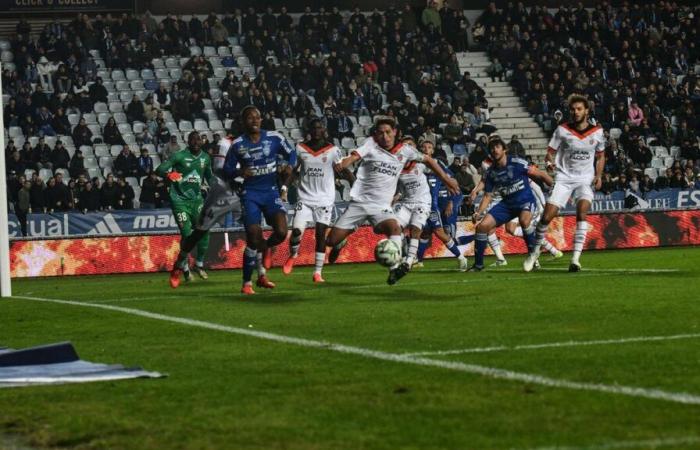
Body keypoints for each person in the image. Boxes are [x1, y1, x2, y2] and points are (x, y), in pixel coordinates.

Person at [325, 116, 459, 285]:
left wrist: (447, 180)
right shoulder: (371, 143)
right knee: (330, 241)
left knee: (395, 229)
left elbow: (429, 160)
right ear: (376, 134)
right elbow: (355, 155)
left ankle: (394, 269)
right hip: (360, 202)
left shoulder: (405, 151)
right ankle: (340, 243)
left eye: (388, 132)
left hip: (381, 206)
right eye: (381, 133)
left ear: (395, 132)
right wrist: (345, 162)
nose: (385, 137)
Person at [525, 94, 605, 273]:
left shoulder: (597, 132)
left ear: (586, 111)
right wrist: (548, 163)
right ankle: (534, 252)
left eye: (579, 109)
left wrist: (599, 176)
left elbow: (601, 156)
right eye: (573, 109)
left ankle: (575, 259)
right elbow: (549, 153)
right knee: (546, 217)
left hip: (584, 179)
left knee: (582, 213)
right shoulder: (562, 129)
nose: (576, 112)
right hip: (564, 178)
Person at [223, 106, 296, 295]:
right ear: (243, 122)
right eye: (250, 118)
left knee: (281, 232)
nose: (255, 121)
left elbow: (292, 153)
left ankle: (266, 251)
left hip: (271, 192)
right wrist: (239, 172)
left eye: (257, 117)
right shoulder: (238, 144)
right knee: (254, 237)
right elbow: (226, 170)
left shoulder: (274, 138)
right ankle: (247, 283)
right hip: (250, 194)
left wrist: (289, 165)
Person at [283, 119, 352, 282]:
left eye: (319, 128)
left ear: (324, 130)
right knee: (297, 231)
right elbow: (293, 171)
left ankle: (318, 273)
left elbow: (343, 170)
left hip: (325, 199)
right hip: (305, 198)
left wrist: (354, 183)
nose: (316, 130)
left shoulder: (333, 150)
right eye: (313, 128)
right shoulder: (300, 148)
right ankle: (293, 255)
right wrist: (284, 188)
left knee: (321, 235)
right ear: (309, 130)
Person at [470, 138, 553, 271]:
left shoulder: (517, 162)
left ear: (504, 149)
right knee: (482, 227)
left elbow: (540, 174)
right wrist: (478, 213)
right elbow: (487, 196)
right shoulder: (491, 172)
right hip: (507, 204)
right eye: (492, 148)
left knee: (524, 221)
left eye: (497, 146)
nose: (494, 150)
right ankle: (478, 265)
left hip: (525, 200)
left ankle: (533, 255)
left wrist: (554, 187)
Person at [156, 131, 215, 287]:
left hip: (197, 201)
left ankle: (199, 264)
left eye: (198, 139)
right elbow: (160, 170)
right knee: (188, 235)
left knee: (204, 230)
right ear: (188, 141)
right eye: (192, 139)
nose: (196, 142)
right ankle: (183, 268)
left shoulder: (205, 158)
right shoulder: (179, 156)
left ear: (202, 142)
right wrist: (170, 174)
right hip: (179, 200)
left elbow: (210, 178)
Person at [414, 140, 469, 271]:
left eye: (429, 147)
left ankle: (461, 257)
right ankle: (418, 260)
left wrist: (451, 200)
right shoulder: (415, 165)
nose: (426, 149)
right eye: (424, 147)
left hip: (432, 206)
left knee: (440, 233)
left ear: (432, 151)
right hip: (417, 205)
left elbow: (451, 180)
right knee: (424, 233)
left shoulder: (438, 164)